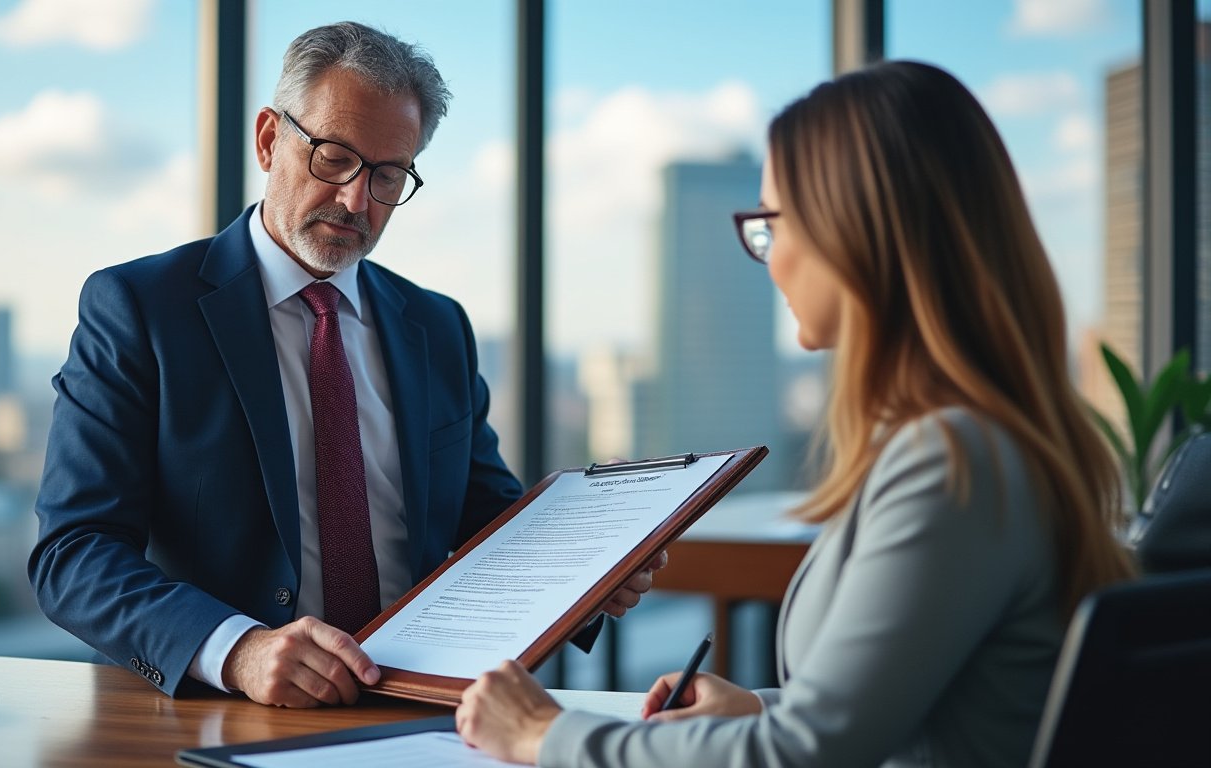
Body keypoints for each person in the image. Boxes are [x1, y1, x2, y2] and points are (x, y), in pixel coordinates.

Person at [455, 60, 1135, 767]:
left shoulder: (951, 459)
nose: (770, 260)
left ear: (853, 230)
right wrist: (760, 706)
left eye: (771, 224)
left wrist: (546, 733)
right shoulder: (990, 439)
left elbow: (806, 755)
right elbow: (918, 705)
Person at [29, 21, 662, 708]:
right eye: (334, 157)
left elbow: (484, 516)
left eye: (389, 175)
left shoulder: (437, 325)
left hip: (426, 709)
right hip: (234, 712)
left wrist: (587, 573)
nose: (358, 200)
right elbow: (74, 553)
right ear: (271, 140)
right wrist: (237, 649)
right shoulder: (141, 308)